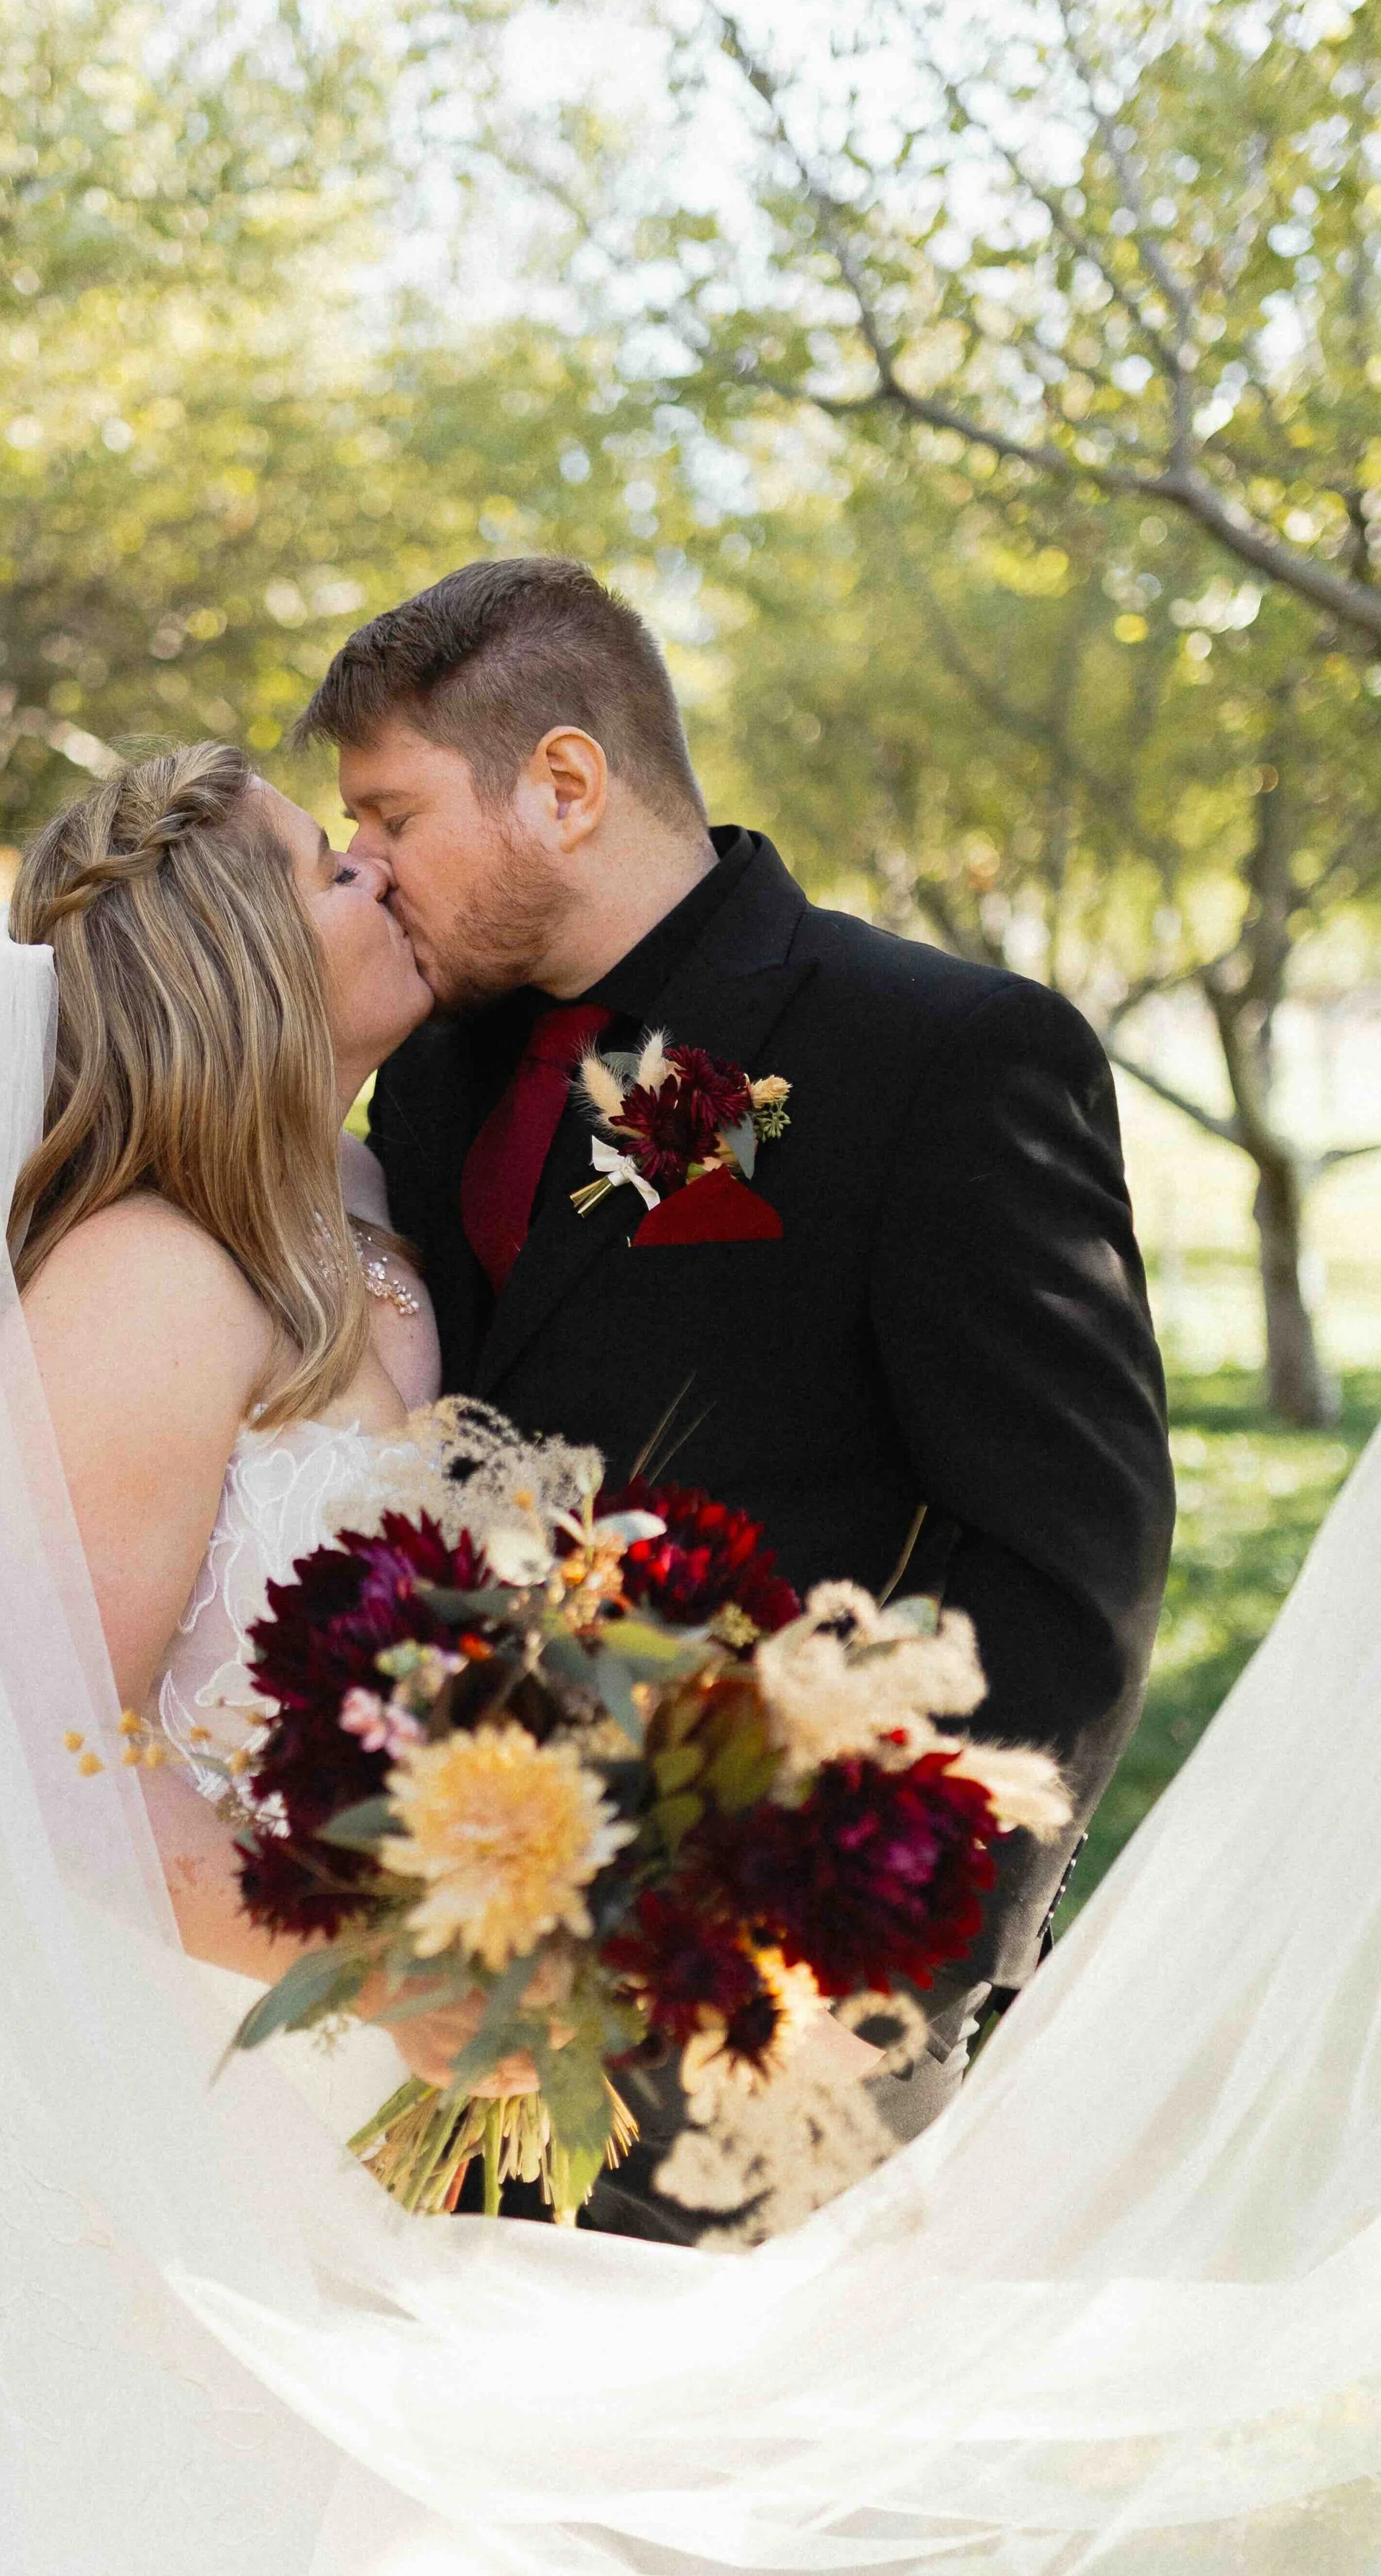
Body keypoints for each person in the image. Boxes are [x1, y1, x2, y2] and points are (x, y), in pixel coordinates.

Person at [0, 727, 1381, 2576]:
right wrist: (382, 1963)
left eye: (373, 834)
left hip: (356, 2015)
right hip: (149, 2022)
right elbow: (36, 1764)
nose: (376, 873)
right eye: (328, 866)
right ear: (238, 963)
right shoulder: (151, 1276)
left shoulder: (354, 1198)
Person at [296, 556, 1176, 2229]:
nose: (362, 864)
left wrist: (888, 1956)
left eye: (392, 816)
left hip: (778, 1992)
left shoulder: (938, 1051)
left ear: (561, 782)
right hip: (464, 1960)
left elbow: (1075, 1550)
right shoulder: (429, 1069)